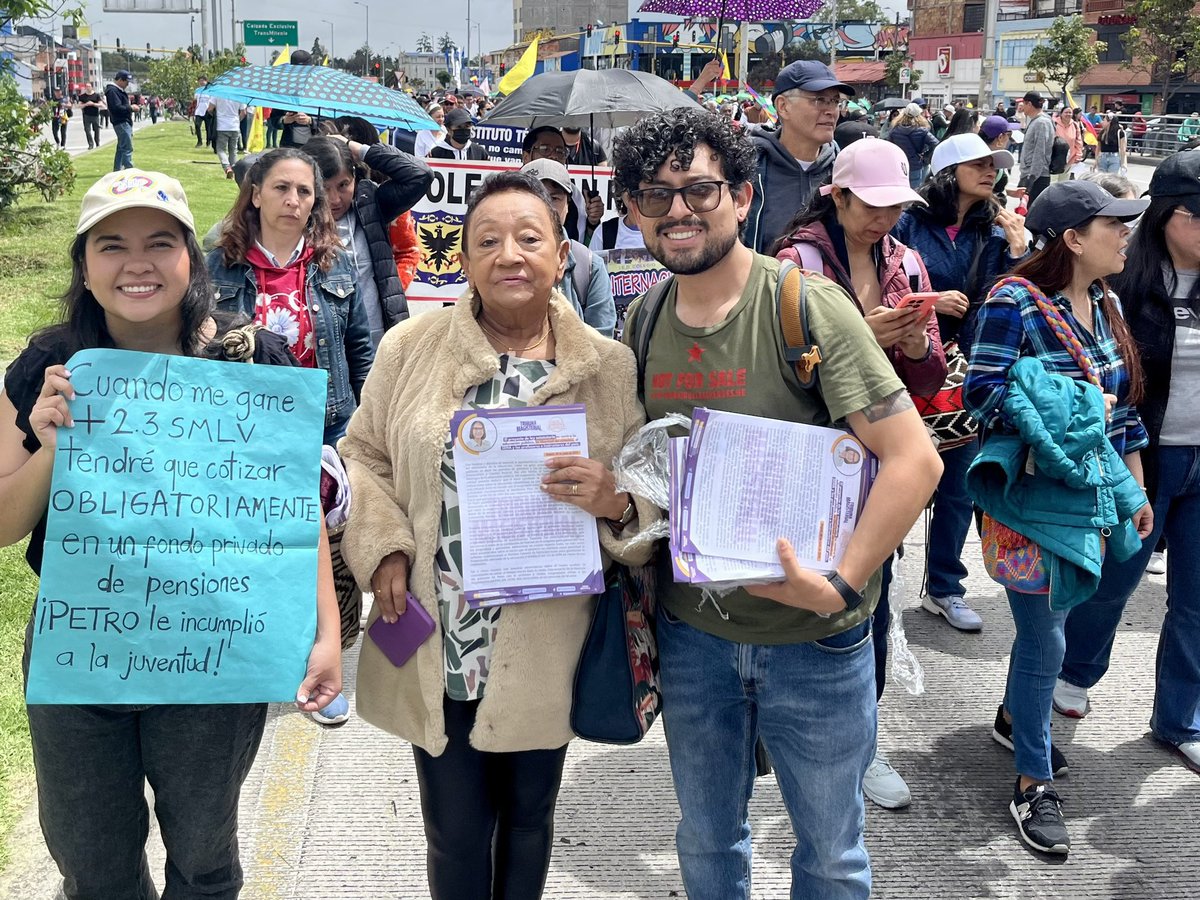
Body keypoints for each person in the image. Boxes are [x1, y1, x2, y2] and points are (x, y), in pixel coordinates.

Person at [613, 107, 942, 898]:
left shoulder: (806, 307)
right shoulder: (644, 319)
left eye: (699, 190)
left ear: (743, 195)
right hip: (693, 638)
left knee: (830, 855)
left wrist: (839, 581)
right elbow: (647, 473)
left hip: (818, 643)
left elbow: (913, 459)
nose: (679, 211)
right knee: (708, 842)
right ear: (630, 213)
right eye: (654, 198)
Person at [0, 168, 341, 900]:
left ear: (192, 258)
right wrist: (50, 447)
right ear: (84, 268)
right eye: (111, 245)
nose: (138, 263)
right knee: (93, 866)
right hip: (82, 651)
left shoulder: (255, 366)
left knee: (205, 860)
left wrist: (327, 631)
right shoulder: (43, 369)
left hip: (214, 655)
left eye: (161, 243)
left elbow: (295, 515)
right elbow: (3, 523)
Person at [338, 170, 656, 900]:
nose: (509, 254)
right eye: (488, 240)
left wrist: (615, 502)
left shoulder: (608, 368)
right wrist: (383, 546)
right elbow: (363, 455)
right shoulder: (408, 347)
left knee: (529, 819)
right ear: (466, 257)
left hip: (548, 639)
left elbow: (645, 491)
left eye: (528, 238)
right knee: (454, 829)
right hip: (438, 632)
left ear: (561, 252)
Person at [964, 180, 1152, 855]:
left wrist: (1135, 488)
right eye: (1114, 225)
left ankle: (1019, 716)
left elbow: (1122, 412)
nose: (1126, 236)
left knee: (1064, 621)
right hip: (1032, 503)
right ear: (1072, 238)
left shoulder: (1106, 301)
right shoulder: (1012, 302)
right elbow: (982, 395)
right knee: (1046, 639)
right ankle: (1031, 784)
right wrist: (1066, 411)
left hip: (1094, 497)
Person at [770, 137, 946, 811]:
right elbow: (789, 375)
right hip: (816, 460)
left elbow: (929, 375)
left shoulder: (905, 260)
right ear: (835, 196)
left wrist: (916, 340)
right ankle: (791, 733)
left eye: (895, 206)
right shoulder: (797, 265)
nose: (883, 220)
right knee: (809, 591)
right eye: (869, 204)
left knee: (870, 595)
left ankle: (860, 748)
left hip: (884, 463)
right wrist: (859, 334)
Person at [1054, 151, 1200, 774]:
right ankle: (1069, 678)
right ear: (1167, 216)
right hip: (1140, 460)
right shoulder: (1122, 290)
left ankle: (1179, 720)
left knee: (1195, 599)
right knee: (1114, 582)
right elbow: (1114, 389)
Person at [892, 133, 1028, 639]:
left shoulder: (993, 230)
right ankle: (880, 572)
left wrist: (1018, 248)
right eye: (979, 163)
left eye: (995, 164)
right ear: (949, 171)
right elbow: (889, 282)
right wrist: (930, 300)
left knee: (957, 486)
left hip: (964, 373)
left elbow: (1012, 298)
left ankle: (945, 585)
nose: (991, 170)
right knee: (893, 477)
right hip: (906, 365)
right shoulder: (909, 221)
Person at [206, 148, 374, 447]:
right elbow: (198, 349)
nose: (292, 200)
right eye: (281, 187)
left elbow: (359, 349)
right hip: (240, 428)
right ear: (256, 196)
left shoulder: (336, 264)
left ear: (314, 202)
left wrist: (368, 419)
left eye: (304, 191)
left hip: (327, 426)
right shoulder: (219, 266)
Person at [299, 135, 433, 348]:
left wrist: (357, 148)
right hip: (321, 344)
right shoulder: (298, 216)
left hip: (376, 340)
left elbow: (420, 175)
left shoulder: (371, 204)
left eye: (343, 185)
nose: (335, 199)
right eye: (324, 188)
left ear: (355, 176)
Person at [742, 59, 855, 254]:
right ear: (783, 106)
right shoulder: (749, 168)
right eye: (819, 100)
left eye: (835, 101)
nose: (831, 111)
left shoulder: (845, 169)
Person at [519, 159, 617, 337]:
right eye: (535, 197)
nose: (546, 207)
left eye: (554, 198)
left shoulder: (589, 266)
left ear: (568, 204)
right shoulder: (500, 261)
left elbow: (603, 344)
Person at [887, 103, 939, 189]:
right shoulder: (922, 131)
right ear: (919, 115)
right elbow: (936, 144)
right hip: (916, 164)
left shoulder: (894, 130)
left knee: (901, 190)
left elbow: (889, 147)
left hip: (899, 164)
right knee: (915, 191)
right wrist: (926, 156)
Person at [1017, 91, 1054, 205]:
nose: (1022, 106)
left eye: (1024, 103)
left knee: (1030, 213)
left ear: (1029, 104)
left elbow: (1040, 151)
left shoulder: (1041, 122)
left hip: (1035, 177)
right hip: (1031, 174)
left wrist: (1031, 177)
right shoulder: (1037, 121)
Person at [979, 114, 1022, 201]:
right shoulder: (992, 163)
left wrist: (1009, 192)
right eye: (1009, 134)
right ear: (1000, 137)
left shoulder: (976, 158)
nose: (1009, 138)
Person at [105, 70, 138, 171]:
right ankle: (129, 169)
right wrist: (131, 108)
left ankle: (117, 170)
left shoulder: (118, 91)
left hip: (124, 121)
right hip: (121, 122)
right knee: (127, 147)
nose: (127, 84)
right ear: (120, 80)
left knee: (121, 148)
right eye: (126, 82)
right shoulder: (113, 91)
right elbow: (116, 108)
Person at [212, 96, 247, 179]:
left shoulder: (217, 94)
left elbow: (210, 108)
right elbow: (243, 112)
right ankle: (234, 170)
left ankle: (227, 167)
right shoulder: (238, 95)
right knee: (233, 150)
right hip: (234, 126)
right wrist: (237, 120)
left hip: (222, 126)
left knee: (221, 149)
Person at [1053, 107, 1083, 183]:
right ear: (1061, 114)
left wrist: (1078, 155)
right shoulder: (1054, 123)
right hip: (1054, 159)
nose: (1068, 114)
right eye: (1066, 112)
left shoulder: (1075, 125)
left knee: (1063, 183)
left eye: (1070, 113)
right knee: (1052, 182)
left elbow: (1078, 142)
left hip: (1069, 159)